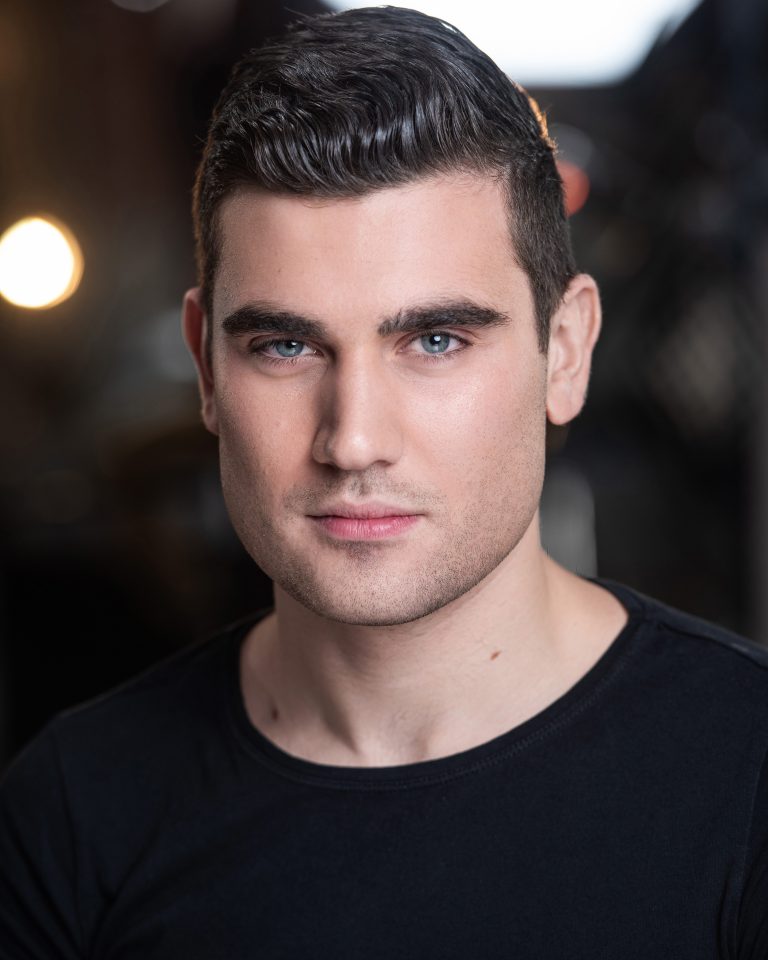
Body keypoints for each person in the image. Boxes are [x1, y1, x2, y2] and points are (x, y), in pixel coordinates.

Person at [1, 6, 767, 957]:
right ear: (206, 367)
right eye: (285, 346)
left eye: (436, 341)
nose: (355, 440)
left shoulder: (748, 778)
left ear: (565, 353)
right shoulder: (69, 817)